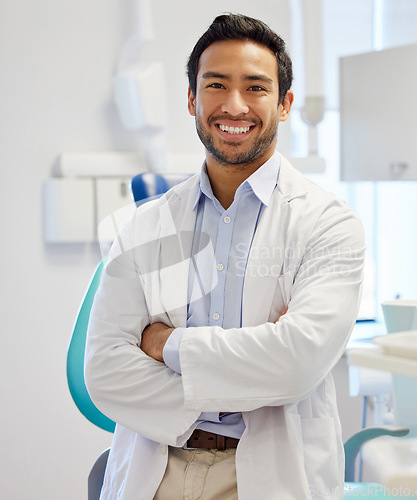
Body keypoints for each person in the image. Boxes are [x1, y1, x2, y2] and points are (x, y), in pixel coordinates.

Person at [85, 13, 365, 500]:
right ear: (193, 99)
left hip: (267, 475)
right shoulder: (146, 225)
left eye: (256, 87)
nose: (234, 104)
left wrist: (166, 346)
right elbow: (105, 371)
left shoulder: (329, 225)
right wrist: (255, 378)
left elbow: (295, 364)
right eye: (216, 84)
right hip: (156, 470)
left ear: (284, 105)